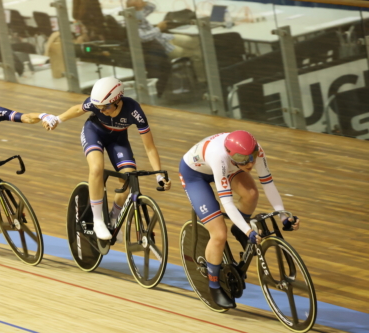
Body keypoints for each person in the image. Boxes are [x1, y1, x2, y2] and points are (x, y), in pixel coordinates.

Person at [179, 130, 300, 308]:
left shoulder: (255, 152)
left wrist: (283, 215)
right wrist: (248, 230)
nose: (250, 164)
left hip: (228, 168)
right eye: (243, 160)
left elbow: (268, 183)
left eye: (251, 158)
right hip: (195, 175)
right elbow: (227, 203)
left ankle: (238, 227)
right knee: (219, 234)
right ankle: (214, 285)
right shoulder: (219, 156)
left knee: (251, 194)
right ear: (230, 154)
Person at [41, 77, 171, 240]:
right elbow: (77, 110)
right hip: (94, 132)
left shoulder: (134, 111)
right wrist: (57, 119)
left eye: (105, 107)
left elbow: (150, 147)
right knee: (96, 168)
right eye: (98, 108)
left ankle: (113, 218)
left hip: (118, 140)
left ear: (117, 100)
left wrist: (158, 175)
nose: (101, 111)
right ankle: (97, 221)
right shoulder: (98, 103)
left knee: (129, 177)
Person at [126, 0, 206, 84]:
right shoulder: (129, 23)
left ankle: (201, 71)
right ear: (129, 9)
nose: (140, 9)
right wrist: (158, 28)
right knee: (197, 53)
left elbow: (152, 7)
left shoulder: (138, 15)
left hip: (164, 38)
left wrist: (143, 3)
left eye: (141, 7)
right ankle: (202, 79)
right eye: (137, 8)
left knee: (196, 41)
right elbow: (144, 37)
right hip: (161, 47)